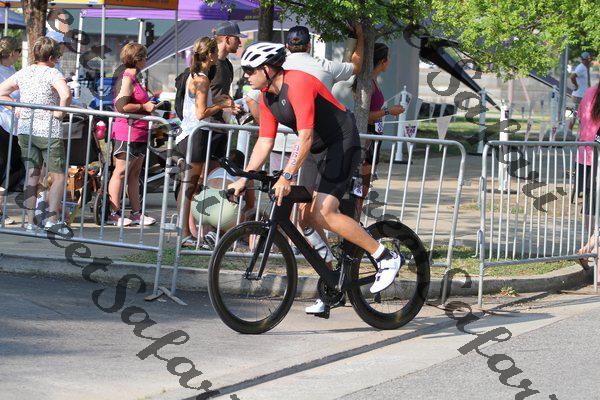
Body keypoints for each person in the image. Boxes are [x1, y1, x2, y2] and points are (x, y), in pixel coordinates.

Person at [230, 42, 405, 316]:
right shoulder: (266, 97)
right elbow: (264, 142)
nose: (246, 75)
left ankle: (386, 257)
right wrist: (244, 179)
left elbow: (305, 136)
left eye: (250, 70)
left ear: (268, 69)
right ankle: (332, 279)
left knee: (324, 211)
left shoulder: (297, 84)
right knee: (306, 219)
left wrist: (287, 175)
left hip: (342, 143)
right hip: (315, 149)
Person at [0, 36, 71, 232]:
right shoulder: (53, 73)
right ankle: (51, 220)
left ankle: (30, 222)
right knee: (58, 177)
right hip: (49, 130)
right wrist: (60, 112)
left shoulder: (24, 72)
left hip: (26, 130)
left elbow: (1, 91)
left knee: (32, 176)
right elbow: (65, 94)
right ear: (52, 57)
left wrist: (16, 107)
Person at [176, 36, 241, 245]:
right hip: (195, 135)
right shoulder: (202, 79)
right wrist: (221, 106)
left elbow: (200, 106)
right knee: (190, 185)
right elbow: (201, 113)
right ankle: (184, 233)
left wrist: (220, 100)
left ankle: (187, 232)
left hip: (192, 134)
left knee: (190, 184)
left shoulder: (195, 75)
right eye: (215, 54)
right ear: (211, 54)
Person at [351, 43, 405, 216]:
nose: (389, 61)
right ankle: (353, 219)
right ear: (382, 61)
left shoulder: (373, 81)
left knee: (365, 184)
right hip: (367, 137)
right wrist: (388, 111)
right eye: (388, 58)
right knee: (361, 184)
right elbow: (363, 115)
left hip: (374, 136)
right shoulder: (366, 83)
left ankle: (355, 219)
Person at [108, 42, 156, 227]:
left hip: (139, 131)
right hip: (127, 132)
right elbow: (121, 106)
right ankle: (113, 213)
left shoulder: (135, 78)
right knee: (121, 172)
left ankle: (136, 213)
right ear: (138, 59)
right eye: (145, 57)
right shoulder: (127, 78)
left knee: (134, 174)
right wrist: (144, 106)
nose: (146, 60)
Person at [190, 149, 254, 248]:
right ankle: (227, 237)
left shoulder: (214, 171)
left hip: (198, 210)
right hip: (223, 214)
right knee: (247, 213)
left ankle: (209, 236)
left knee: (213, 209)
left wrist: (192, 228)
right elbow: (250, 205)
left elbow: (195, 195)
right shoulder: (245, 176)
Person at [575, 81, 600, 267]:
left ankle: (591, 244)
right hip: (597, 156)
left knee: (590, 204)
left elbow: (580, 117)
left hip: (584, 155)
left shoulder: (590, 92)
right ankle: (590, 247)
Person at [0, 36, 24, 225]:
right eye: (18, 52)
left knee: (17, 166)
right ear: (13, 53)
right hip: (2, 123)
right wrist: (14, 107)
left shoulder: (12, 69)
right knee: (4, 166)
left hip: (13, 125)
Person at [210, 21, 246, 123]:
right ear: (227, 39)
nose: (240, 42)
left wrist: (232, 106)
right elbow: (198, 100)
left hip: (221, 125)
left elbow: (223, 94)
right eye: (237, 38)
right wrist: (223, 106)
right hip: (206, 125)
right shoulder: (208, 63)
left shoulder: (228, 64)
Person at [569, 52, 594, 132]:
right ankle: (570, 131)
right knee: (576, 114)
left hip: (582, 95)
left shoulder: (585, 68)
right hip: (578, 96)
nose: (590, 61)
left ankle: (581, 131)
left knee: (581, 114)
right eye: (589, 59)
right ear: (585, 59)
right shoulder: (581, 67)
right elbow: (572, 76)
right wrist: (576, 85)